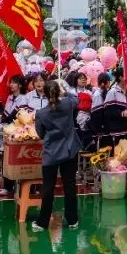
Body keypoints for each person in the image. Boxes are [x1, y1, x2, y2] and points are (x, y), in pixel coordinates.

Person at [32, 80, 81, 231]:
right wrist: (64, 90)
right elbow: (76, 98)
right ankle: (72, 220)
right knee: (70, 185)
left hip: (51, 153)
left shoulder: (41, 113)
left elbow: (40, 133)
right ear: (57, 91)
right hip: (69, 150)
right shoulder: (67, 104)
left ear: (45, 94)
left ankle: (43, 222)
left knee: (48, 187)